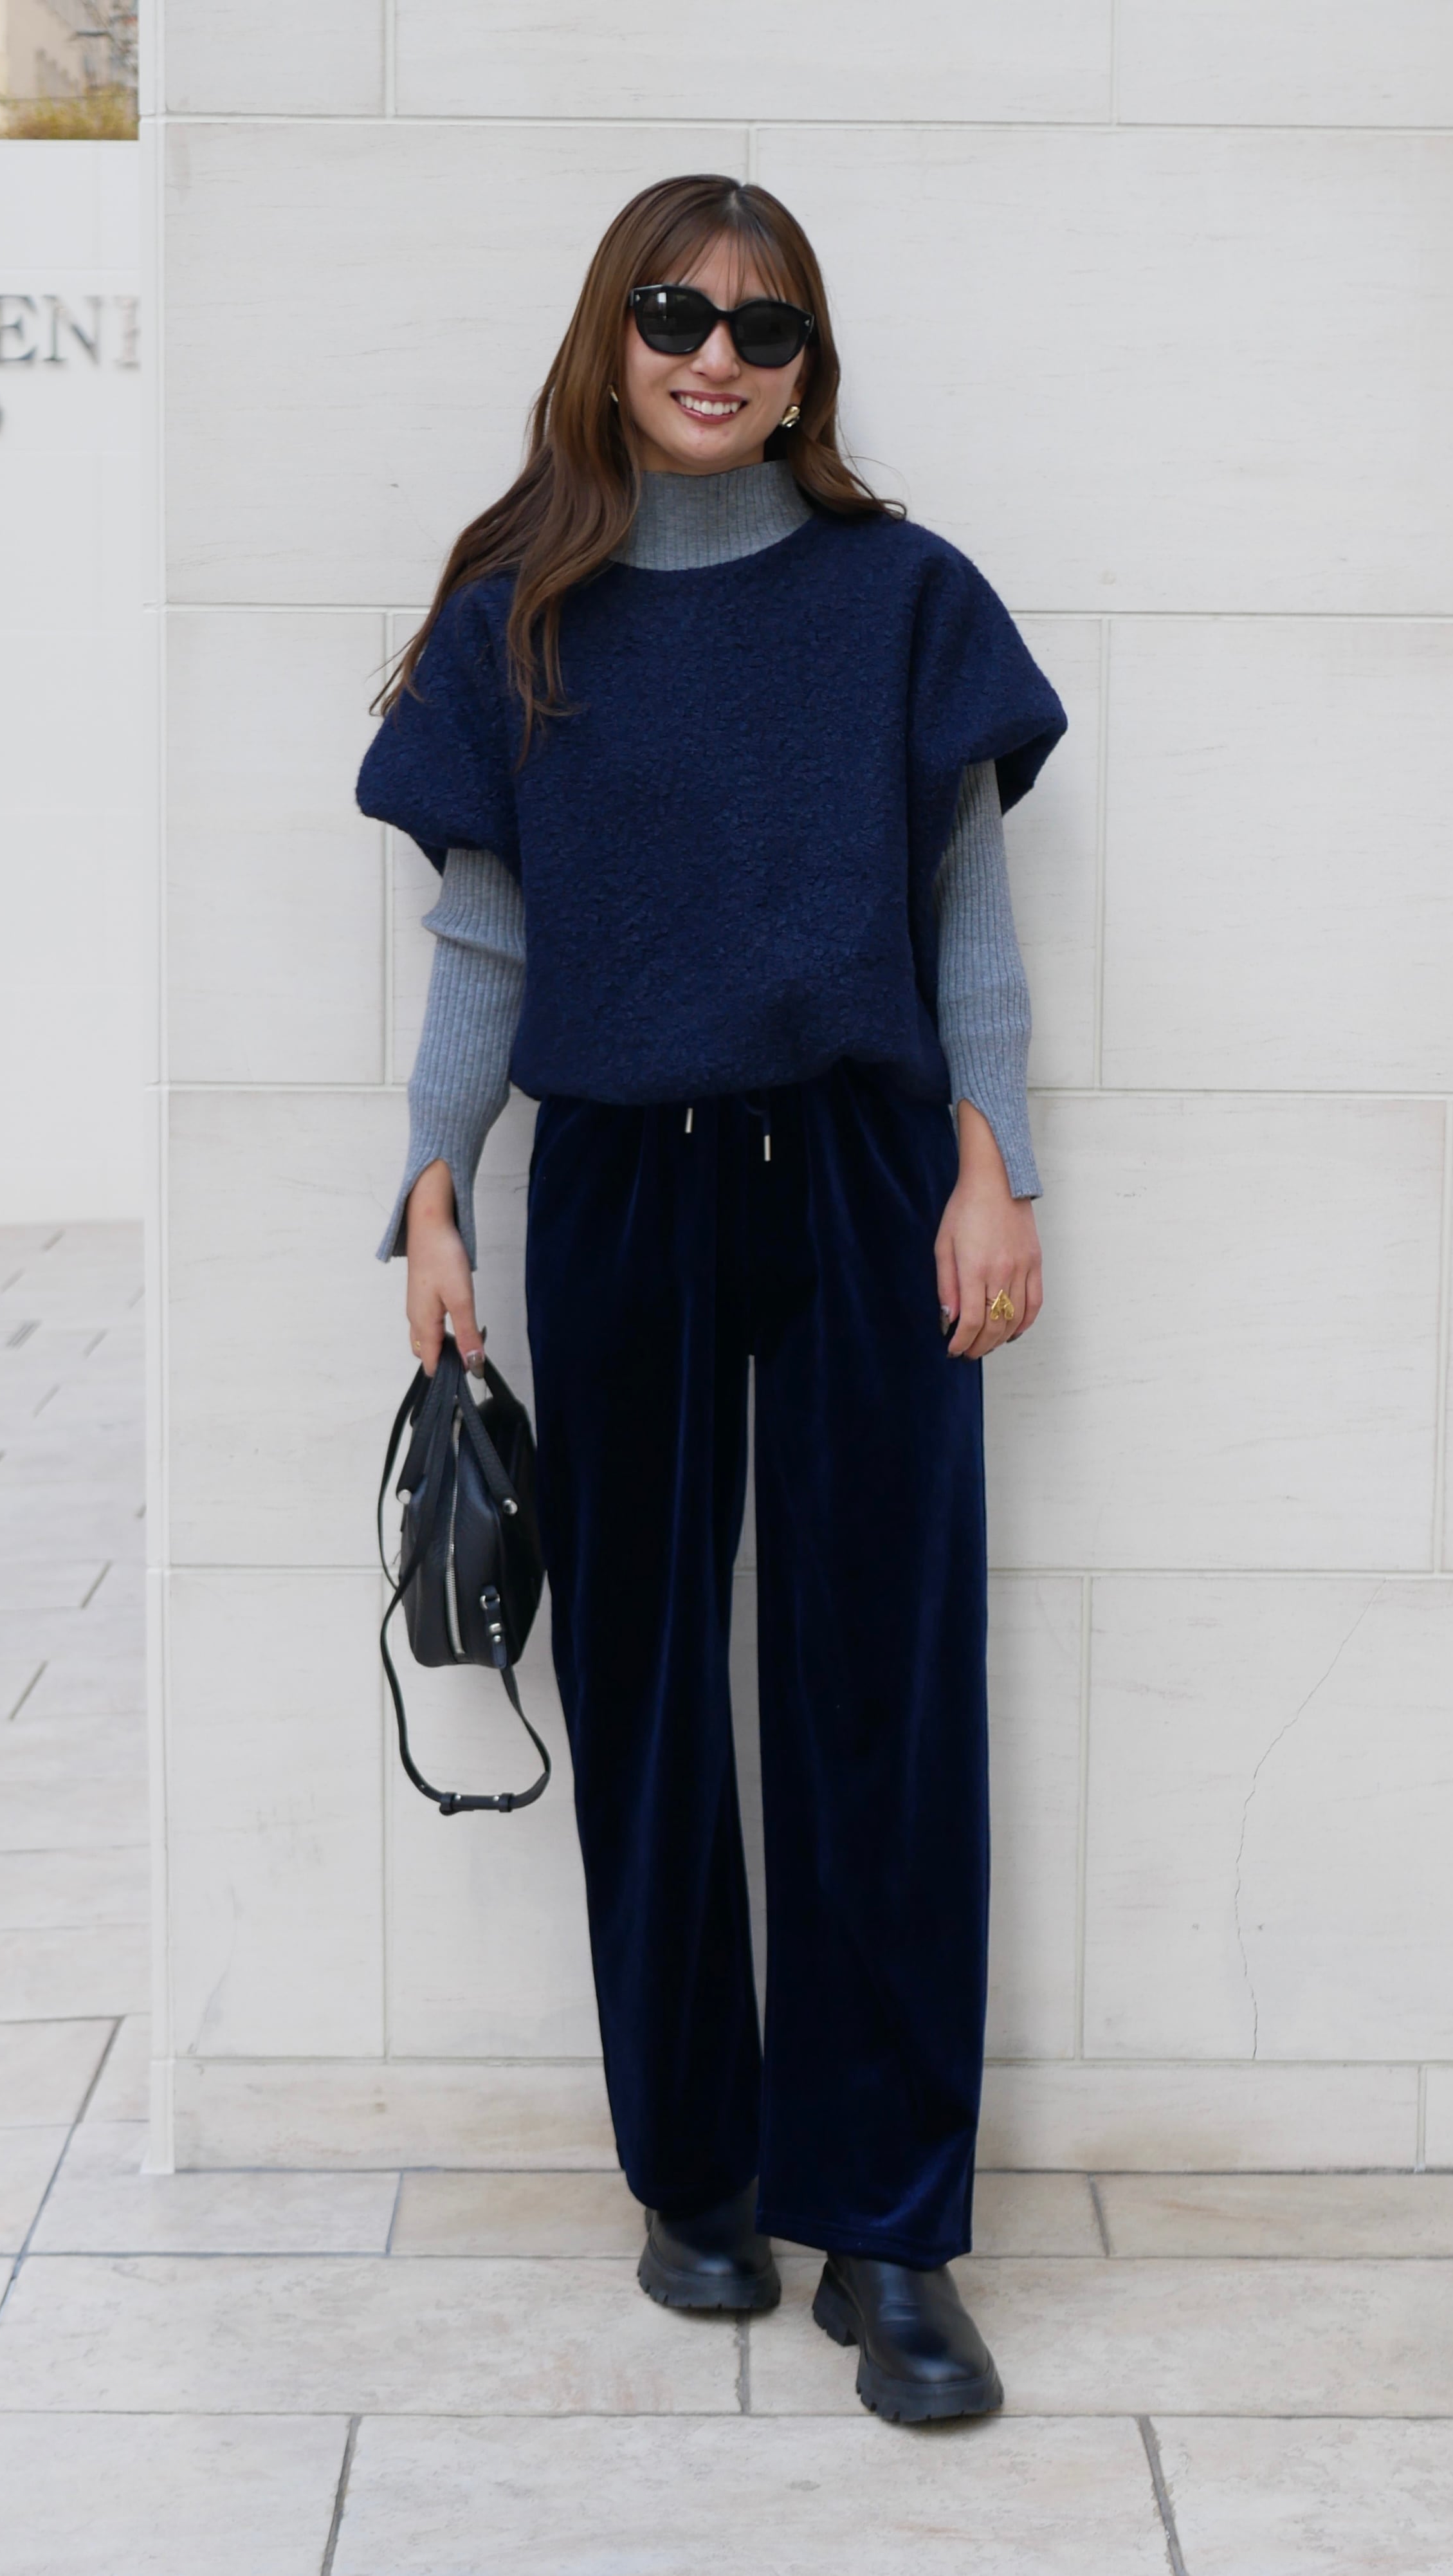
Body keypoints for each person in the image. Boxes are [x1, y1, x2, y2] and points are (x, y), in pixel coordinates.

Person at [357, 173, 1065, 2425]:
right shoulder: (521, 617)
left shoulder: (900, 597)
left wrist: (991, 1164)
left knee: (881, 1688)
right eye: (676, 312)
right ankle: (697, 2171)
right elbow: (484, 937)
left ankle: (891, 2230)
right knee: (649, 1671)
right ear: (613, 331)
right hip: (621, 1181)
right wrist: (430, 1192)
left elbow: (966, 912)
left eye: (764, 329)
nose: (715, 357)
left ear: (804, 367)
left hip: (864, 1172)